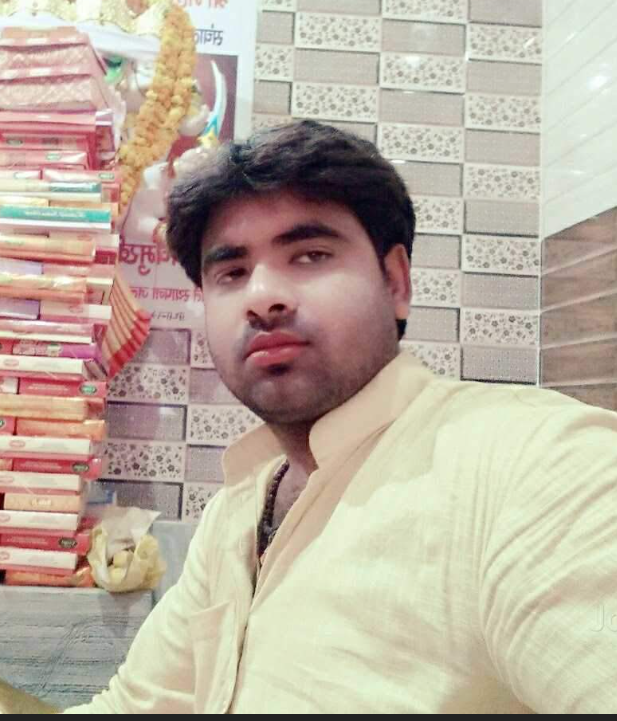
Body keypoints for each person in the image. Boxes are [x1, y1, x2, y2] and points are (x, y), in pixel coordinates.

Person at [7, 120, 617, 713]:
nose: (262, 296)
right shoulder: (237, 510)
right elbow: (139, 706)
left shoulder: (539, 467)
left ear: (395, 282)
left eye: (310, 255)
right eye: (231, 272)